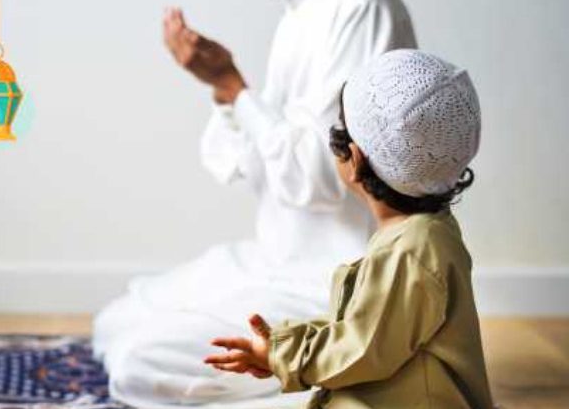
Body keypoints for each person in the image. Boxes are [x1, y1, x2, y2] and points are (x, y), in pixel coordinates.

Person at [93, 0, 416, 407]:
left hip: (333, 282)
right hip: (271, 260)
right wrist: (225, 90)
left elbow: (323, 178)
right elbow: (249, 161)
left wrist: (234, 87)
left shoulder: (363, 5)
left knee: (140, 364)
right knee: (113, 326)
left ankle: (344, 382)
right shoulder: (299, 13)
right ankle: (323, 379)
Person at [205, 49, 494, 409]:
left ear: (354, 160)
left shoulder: (411, 250)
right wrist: (281, 346)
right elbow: (366, 327)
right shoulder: (423, 233)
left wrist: (283, 356)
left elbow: (364, 347)